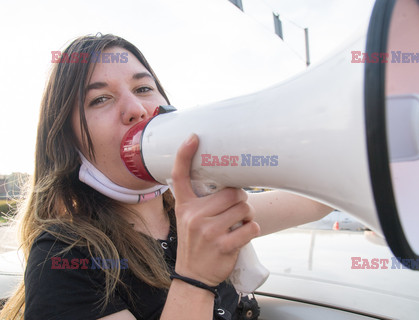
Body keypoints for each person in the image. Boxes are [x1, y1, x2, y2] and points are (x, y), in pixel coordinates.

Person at [0, 34, 332, 320]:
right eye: (100, 98)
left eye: (144, 87)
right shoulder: (64, 256)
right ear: (68, 142)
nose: (137, 109)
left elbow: (320, 196)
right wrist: (196, 277)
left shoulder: (199, 214)